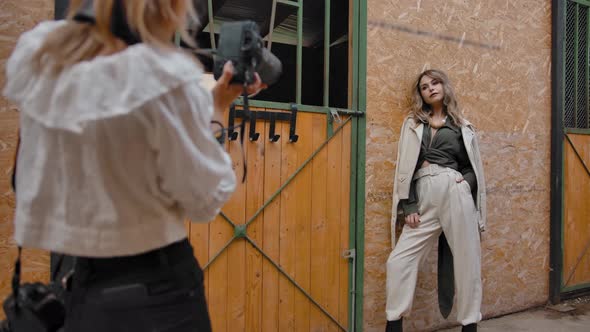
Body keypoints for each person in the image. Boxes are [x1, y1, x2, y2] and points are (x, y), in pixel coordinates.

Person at [2, 0, 264, 331]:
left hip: (86, 293)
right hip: (162, 296)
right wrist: (217, 112)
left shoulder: (43, 56)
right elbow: (205, 201)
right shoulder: (162, 78)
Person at [385, 69, 486, 332]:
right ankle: (393, 324)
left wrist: (465, 185)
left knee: (467, 260)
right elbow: (405, 169)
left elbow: (471, 167)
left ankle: (469, 325)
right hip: (424, 194)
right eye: (424, 87)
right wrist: (409, 205)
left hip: (454, 191)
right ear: (420, 95)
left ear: (444, 86)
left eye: (435, 82)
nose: (430, 88)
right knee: (398, 261)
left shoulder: (462, 126)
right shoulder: (413, 123)